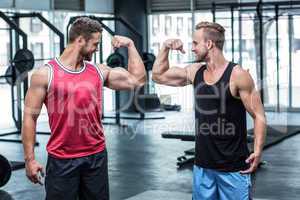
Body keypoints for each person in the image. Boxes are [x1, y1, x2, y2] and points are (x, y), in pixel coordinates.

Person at [21, 17, 146, 200]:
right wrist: (30, 159)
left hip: (96, 158)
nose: (97, 48)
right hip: (61, 160)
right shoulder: (45, 74)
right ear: (80, 40)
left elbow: (138, 80)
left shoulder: (98, 71)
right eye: (95, 43)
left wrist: (131, 45)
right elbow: (29, 118)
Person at [152, 21, 266, 200]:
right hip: (203, 167)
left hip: (234, 168)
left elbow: (259, 115)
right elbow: (158, 76)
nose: (192, 48)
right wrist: (166, 47)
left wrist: (258, 151)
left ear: (209, 44)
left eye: (195, 43)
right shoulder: (195, 71)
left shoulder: (238, 75)